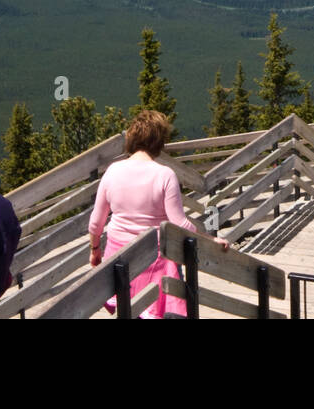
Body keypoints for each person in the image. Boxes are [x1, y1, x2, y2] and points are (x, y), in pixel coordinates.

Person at [89, 109, 229, 318]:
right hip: (155, 259)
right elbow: (180, 224)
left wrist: (95, 249)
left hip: (119, 258)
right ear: (159, 142)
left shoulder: (113, 170)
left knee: (128, 310)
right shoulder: (164, 175)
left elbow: (95, 223)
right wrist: (209, 240)